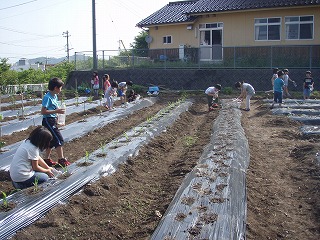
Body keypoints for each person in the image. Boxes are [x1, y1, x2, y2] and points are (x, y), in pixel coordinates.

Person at [41, 77, 70, 167]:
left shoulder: (55, 96)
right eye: (60, 87)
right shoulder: (47, 97)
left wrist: (58, 118)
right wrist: (56, 112)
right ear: (55, 88)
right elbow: (43, 111)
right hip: (47, 121)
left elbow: (55, 109)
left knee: (51, 141)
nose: (61, 89)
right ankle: (61, 159)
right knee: (58, 139)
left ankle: (46, 159)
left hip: (52, 120)